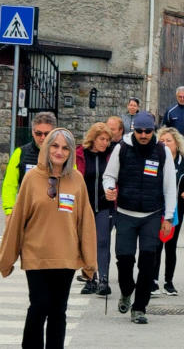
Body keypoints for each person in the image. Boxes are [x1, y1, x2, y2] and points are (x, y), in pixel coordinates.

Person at [0, 128, 97, 349]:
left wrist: (90, 262)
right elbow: (18, 220)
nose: (59, 152)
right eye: (54, 146)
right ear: (46, 148)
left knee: (58, 310)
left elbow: (86, 222)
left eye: (65, 148)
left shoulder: (77, 180)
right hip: (36, 255)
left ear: (70, 152)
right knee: (39, 306)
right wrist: (6, 259)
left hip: (66, 257)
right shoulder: (32, 178)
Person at [103, 111, 177, 324]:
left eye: (148, 131)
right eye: (140, 131)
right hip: (125, 213)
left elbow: (170, 186)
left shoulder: (162, 151)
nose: (143, 135)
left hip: (152, 215)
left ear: (153, 131)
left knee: (148, 263)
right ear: (133, 130)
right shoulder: (121, 148)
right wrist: (109, 188)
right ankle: (127, 291)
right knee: (124, 260)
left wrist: (168, 217)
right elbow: (109, 175)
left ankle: (139, 308)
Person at [152, 127, 184, 295]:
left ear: (177, 143)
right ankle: (153, 281)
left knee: (171, 246)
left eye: (169, 141)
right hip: (156, 209)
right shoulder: (154, 159)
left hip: (176, 210)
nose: (165, 144)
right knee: (156, 245)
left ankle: (169, 282)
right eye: (162, 141)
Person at [75, 123, 114, 296]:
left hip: (105, 205)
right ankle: (90, 279)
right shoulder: (80, 154)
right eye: (102, 139)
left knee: (103, 242)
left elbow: (115, 177)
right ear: (93, 138)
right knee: (86, 243)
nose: (105, 143)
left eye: (107, 140)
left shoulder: (111, 155)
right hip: (85, 206)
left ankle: (103, 280)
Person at [2, 111, 57, 225]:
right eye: (38, 133)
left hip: (53, 214)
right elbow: (9, 184)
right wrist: (9, 211)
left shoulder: (63, 155)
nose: (43, 137)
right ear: (32, 132)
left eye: (47, 134)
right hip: (27, 213)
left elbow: (71, 184)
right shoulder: (20, 153)